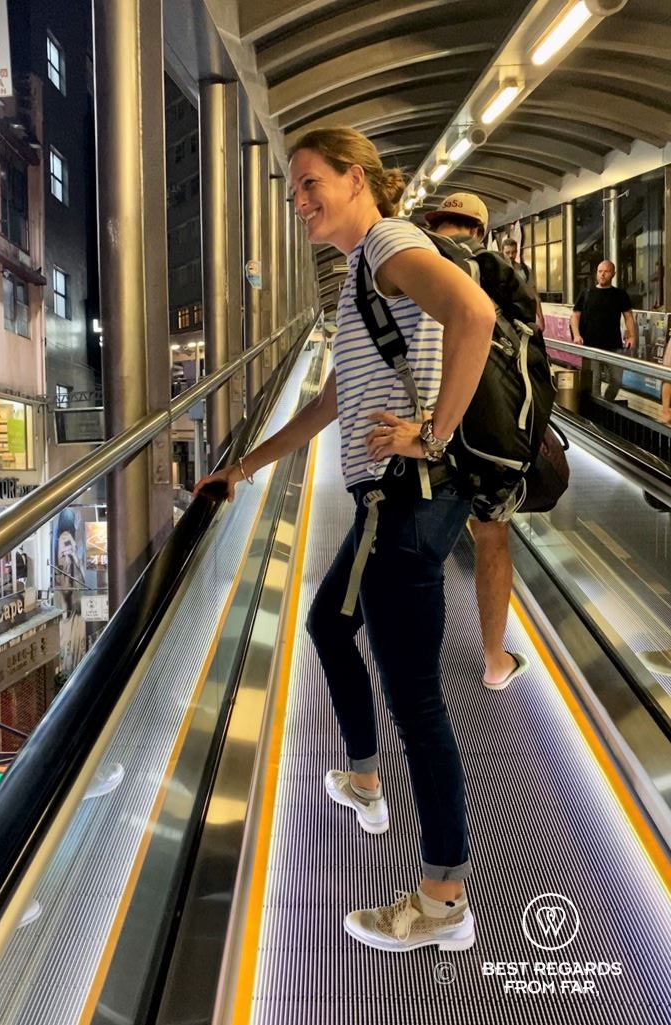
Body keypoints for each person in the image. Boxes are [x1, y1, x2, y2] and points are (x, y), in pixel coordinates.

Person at [194, 127, 495, 953]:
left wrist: (431, 432)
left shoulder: (392, 242)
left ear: (356, 178)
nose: (299, 202)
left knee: (418, 703)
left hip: (403, 505)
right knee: (331, 622)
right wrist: (245, 467)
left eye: (309, 184)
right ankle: (364, 776)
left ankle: (444, 899)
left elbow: (475, 312)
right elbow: (333, 399)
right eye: (293, 192)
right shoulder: (363, 267)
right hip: (384, 506)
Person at [424, 195, 530, 690]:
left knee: (421, 544)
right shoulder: (503, 274)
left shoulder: (420, 263)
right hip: (489, 438)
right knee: (491, 538)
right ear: (482, 232)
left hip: (427, 432)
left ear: (436, 225)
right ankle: (494, 662)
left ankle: (416, 666)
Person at [571, 261, 636, 401]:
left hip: (613, 344)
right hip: (590, 345)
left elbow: (628, 316)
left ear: (613, 274)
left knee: (617, 380)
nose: (602, 274)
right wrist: (576, 335)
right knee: (594, 382)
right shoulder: (587, 293)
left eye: (606, 271)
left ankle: (606, 403)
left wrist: (631, 336)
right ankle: (596, 414)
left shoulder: (620, 294)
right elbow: (575, 316)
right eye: (600, 271)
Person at [54, 508, 86, 674]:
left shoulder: (80, 621)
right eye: (62, 554)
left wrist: (76, 559)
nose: (66, 563)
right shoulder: (54, 623)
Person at [501, 237, 545, 331]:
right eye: (507, 252)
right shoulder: (497, 271)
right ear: (502, 252)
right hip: (504, 318)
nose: (511, 255)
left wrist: (540, 318)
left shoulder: (525, 270)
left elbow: (534, 296)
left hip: (523, 316)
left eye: (513, 252)